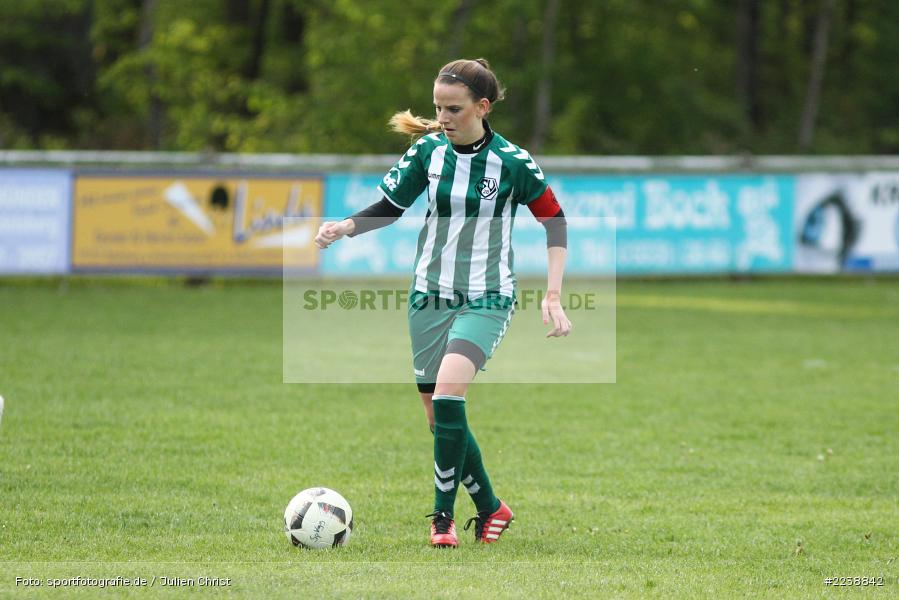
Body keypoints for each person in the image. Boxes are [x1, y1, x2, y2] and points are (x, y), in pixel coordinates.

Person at [314, 58, 571, 548]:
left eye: (453, 108)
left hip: (487, 297)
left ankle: (441, 520)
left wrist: (553, 295)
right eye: (438, 108)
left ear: (482, 107)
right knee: (439, 418)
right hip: (428, 297)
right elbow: (390, 208)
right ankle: (492, 508)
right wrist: (346, 226)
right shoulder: (427, 152)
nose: (444, 117)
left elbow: (554, 223)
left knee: (451, 394)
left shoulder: (513, 162)